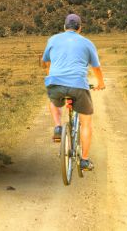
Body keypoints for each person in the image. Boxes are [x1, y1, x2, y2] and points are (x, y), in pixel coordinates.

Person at [41, 13, 105, 172]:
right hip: (78, 86)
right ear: (80, 28)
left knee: (53, 101)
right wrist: (101, 83)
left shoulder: (53, 39)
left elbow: (45, 61)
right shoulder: (87, 43)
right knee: (86, 122)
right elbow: (96, 67)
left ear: (64, 27)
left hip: (55, 83)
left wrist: (51, 74)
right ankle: (84, 160)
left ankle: (57, 127)